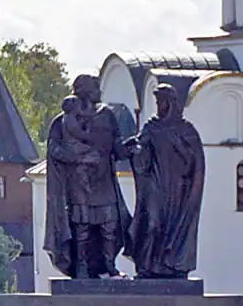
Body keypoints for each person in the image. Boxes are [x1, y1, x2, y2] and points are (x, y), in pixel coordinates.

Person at [44, 74, 133, 279]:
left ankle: (109, 266)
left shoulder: (107, 115)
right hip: (79, 184)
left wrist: (134, 148)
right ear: (85, 91)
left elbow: (118, 148)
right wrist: (78, 157)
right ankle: (82, 268)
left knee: (110, 226)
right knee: (82, 228)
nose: (100, 92)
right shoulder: (63, 120)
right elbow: (54, 149)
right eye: (96, 88)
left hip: (104, 183)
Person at [125, 83, 206, 279]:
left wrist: (179, 147)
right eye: (157, 101)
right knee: (152, 223)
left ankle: (172, 266)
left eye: (162, 101)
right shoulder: (152, 126)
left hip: (179, 188)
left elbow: (195, 161)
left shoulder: (186, 129)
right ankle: (147, 266)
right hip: (155, 184)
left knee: (175, 227)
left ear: (171, 103)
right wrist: (135, 150)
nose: (159, 105)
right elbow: (141, 149)